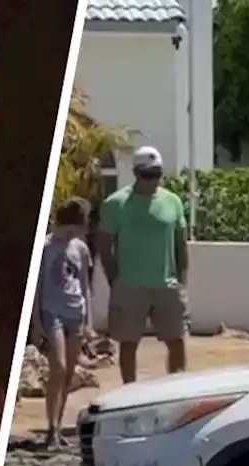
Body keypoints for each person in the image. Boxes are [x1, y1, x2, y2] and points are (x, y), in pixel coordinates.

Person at [98, 146, 189, 383]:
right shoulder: (115, 204)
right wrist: (115, 280)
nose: (153, 180)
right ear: (136, 173)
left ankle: (177, 388)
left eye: (157, 174)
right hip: (129, 286)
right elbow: (104, 245)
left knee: (176, 340)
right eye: (147, 175)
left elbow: (181, 244)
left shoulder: (174, 202)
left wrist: (181, 282)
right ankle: (130, 392)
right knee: (129, 344)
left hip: (166, 286)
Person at [31, 197, 93, 448]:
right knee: (57, 366)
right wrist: (36, 321)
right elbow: (36, 287)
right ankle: (51, 427)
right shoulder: (45, 247)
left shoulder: (80, 248)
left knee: (68, 373)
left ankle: (57, 426)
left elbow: (85, 286)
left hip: (75, 313)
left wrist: (88, 319)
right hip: (51, 311)